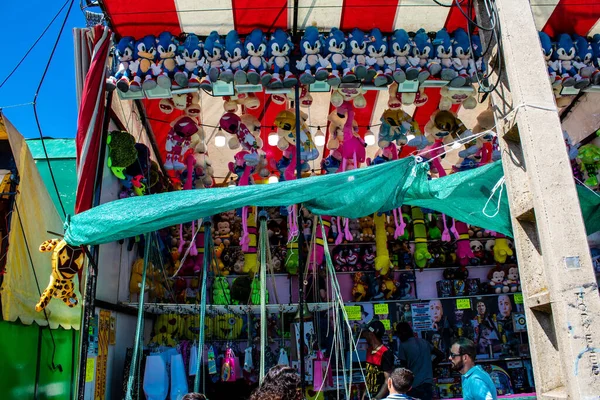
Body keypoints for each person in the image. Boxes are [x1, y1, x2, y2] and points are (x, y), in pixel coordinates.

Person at [395, 322, 444, 400]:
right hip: (427, 384)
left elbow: (403, 368)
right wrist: (431, 366)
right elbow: (441, 355)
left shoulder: (403, 346)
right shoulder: (424, 342)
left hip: (413, 385)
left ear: (400, 333)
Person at [361, 320, 395, 400]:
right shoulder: (369, 350)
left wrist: (377, 398)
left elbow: (388, 380)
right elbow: (369, 376)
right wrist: (364, 394)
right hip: (369, 396)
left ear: (371, 334)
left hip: (380, 397)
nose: (364, 335)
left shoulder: (385, 353)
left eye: (366, 332)